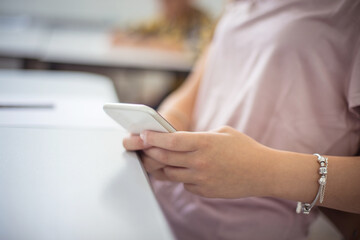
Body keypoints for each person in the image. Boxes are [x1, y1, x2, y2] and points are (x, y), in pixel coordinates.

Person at [123, 0, 360, 239]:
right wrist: (162, 132)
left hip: (248, 228)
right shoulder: (239, 4)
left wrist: (264, 170)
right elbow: (194, 89)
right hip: (160, 204)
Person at [112, 0, 214, 57]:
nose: (164, 4)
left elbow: (197, 49)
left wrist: (147, 43)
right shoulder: (165, 21)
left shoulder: (201, 21)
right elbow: (126, 30)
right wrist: (127, 37)